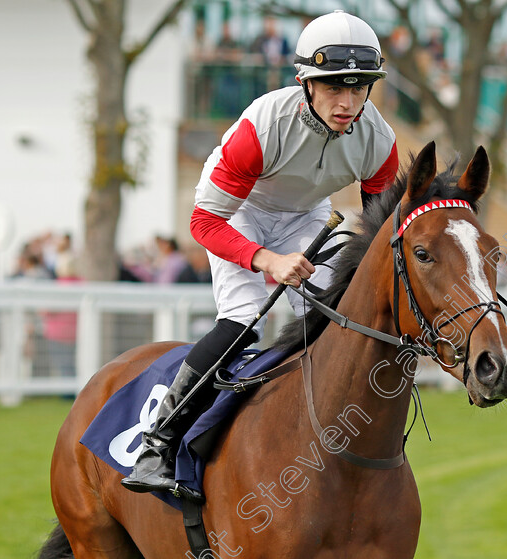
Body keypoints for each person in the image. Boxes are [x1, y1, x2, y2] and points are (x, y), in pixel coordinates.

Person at [122, 10, 398, 501]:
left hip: (308, 215)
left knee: (331, 317)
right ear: (304, 82)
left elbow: (379, 231)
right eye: (335, 87)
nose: (348, 102)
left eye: (359, 89)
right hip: (238, 210)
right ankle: (158, 445)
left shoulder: (379, 142)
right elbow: (203, 224)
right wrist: (267, 261)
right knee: (244, 320)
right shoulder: (263, 126)